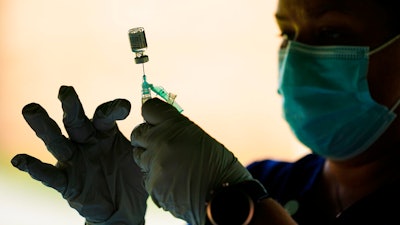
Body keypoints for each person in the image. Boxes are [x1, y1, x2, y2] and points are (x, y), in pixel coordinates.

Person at [11, 0, 400, 224]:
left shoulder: (241, 196)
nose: (296, 59)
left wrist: (240, 210)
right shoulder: (269, 184)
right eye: (288, 35)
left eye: (333, 34)